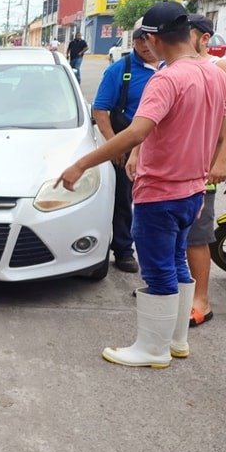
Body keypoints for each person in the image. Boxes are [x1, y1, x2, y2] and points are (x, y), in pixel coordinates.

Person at [58, 1, 226, 369]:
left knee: (157, 271)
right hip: (192, 191)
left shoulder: (166, 79)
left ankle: (152, 349)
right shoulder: (216, 74)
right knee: (178, 265)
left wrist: (80, 164)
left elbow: (137, 130)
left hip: (161, 192)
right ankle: (177, 340)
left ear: (152, 38)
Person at [183, 13, 226, 328]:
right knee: (168, 233)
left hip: (202, 169)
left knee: (197, 234)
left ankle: (200, 301)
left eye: (186, 33)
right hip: (171, 168)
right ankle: (172, 290)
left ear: (204, 38)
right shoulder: (175, 66)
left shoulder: (222, 69)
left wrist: (222, 160)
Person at [91, 19, 160, 273]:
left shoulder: (171, 69)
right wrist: (114, 146)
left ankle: (156, 250)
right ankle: (123, 250)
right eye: (139, 38)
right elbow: (100, 110)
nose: (144, 44)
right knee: (124, 200)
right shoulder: (119, 70)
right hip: (127, 146)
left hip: (161, 150)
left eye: (149, 38)